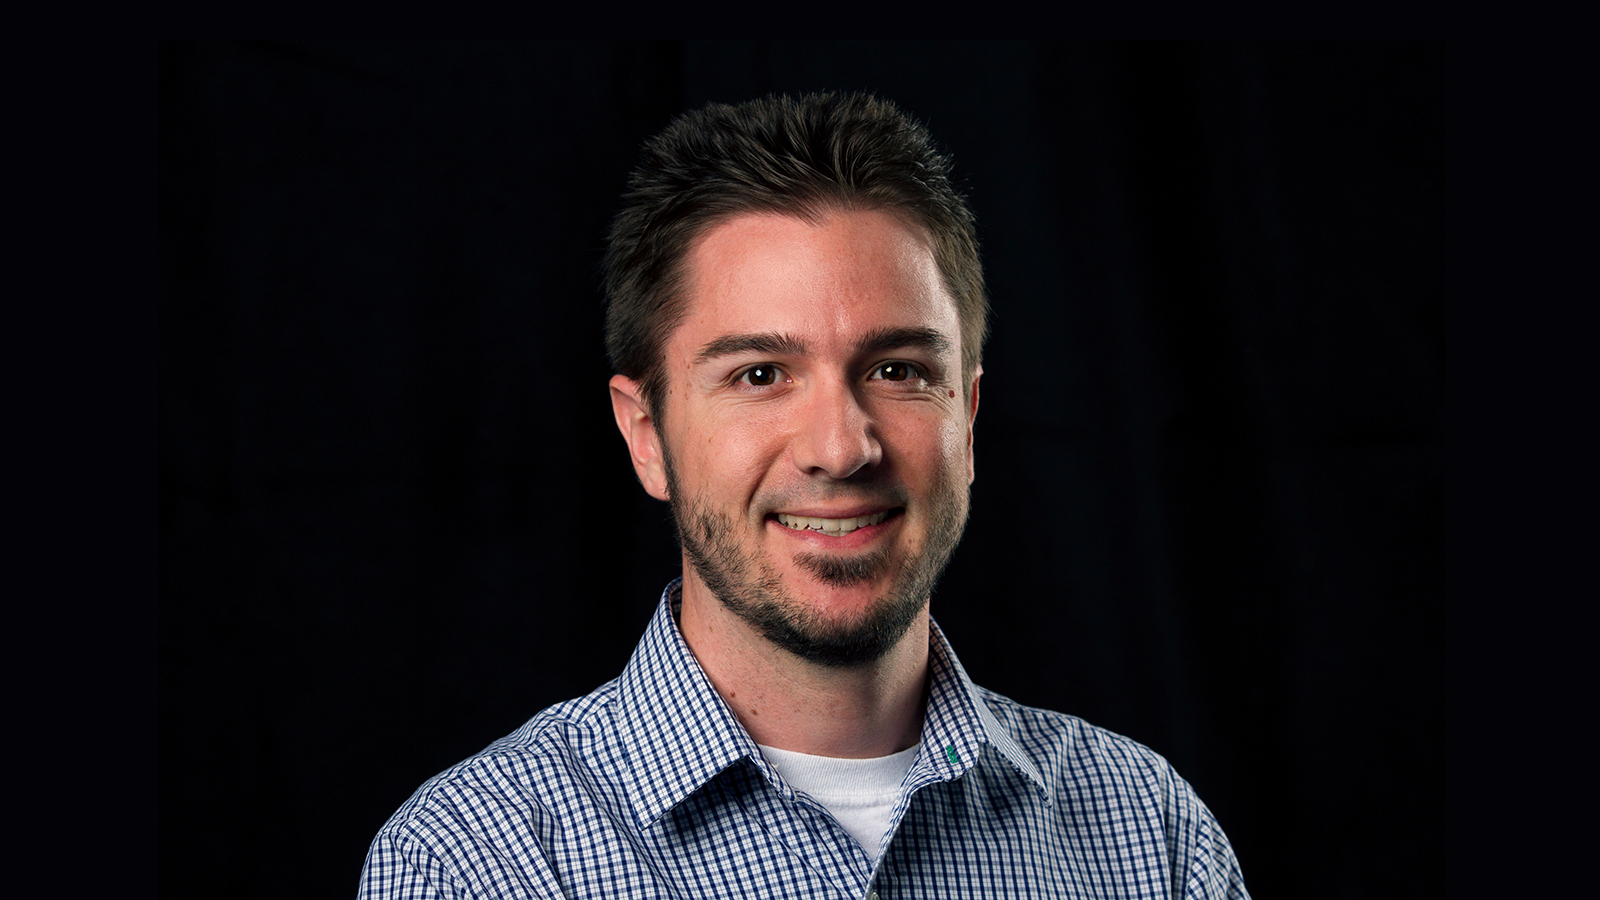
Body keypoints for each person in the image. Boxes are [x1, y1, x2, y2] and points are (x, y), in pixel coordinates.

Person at [359, 92, 1249, 899]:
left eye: (898, 369)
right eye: (759, 374)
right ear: (646, 437)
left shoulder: (1151, 838)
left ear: (967, 420)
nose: (841, 447)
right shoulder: (477, 863)